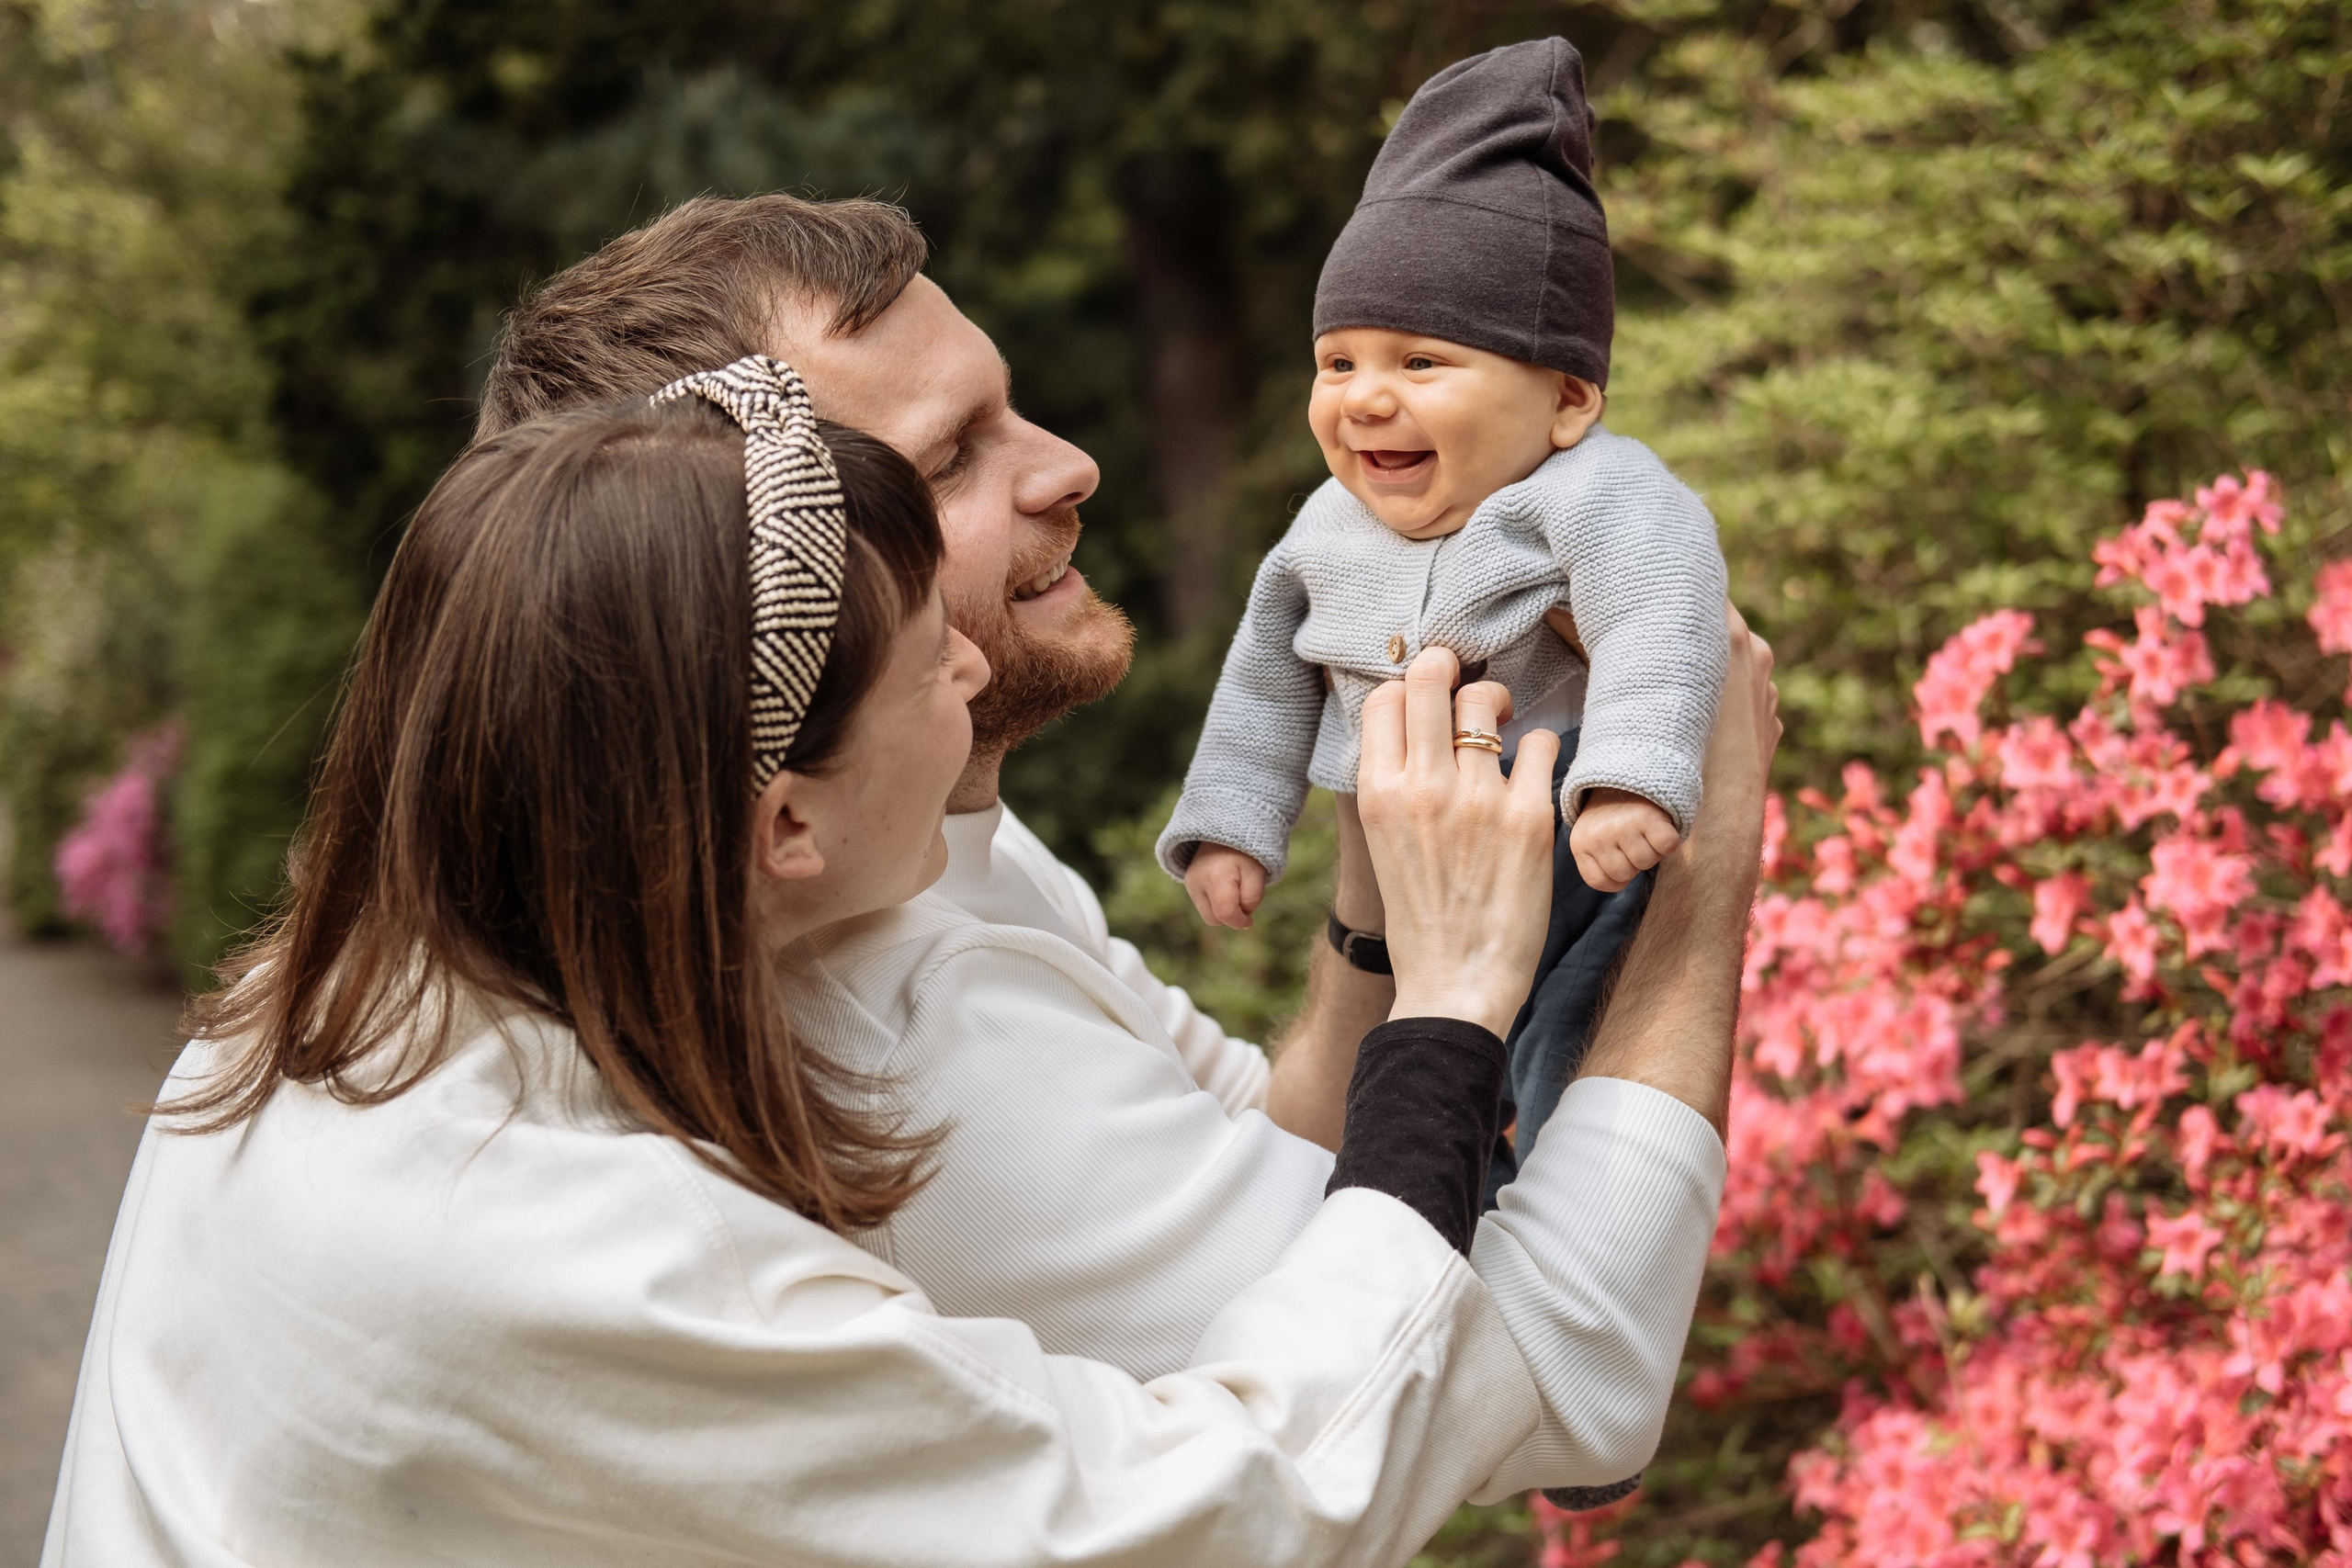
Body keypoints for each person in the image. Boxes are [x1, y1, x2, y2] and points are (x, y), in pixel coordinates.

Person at [43, 358, 1769, 1565]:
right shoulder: (587, 1251)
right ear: (783, 824)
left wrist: (1381, 923)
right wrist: (1467, 1003)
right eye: (924, 668)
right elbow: (1208, 1516)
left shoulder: (400, 973)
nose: (968, 676)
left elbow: (1259, 1150)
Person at [469, 188, 1759, 1457]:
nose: (1068, 463)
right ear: (781, 574)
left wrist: (1371, 892)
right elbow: (1553, 1383)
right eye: (952, 456)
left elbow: (1276, 1159)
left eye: (1009, 405)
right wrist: (1709, 834)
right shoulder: (906, 1040)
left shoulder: (935, 836)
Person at [1160, 38, 1727, 1206]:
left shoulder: (1592, 492)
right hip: (1416, 858)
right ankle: (1450, 1212)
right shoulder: (1324, 524)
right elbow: (1267, 677)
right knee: (1424, 1056)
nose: (1367, 396)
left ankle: (1567, 1215)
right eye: (1338, 362)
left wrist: (1629, 777)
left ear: (1566, 399)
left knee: (1572, 1033)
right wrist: (1230, 823)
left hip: (1576, 825)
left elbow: (1661, 613)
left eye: (1422, 361)